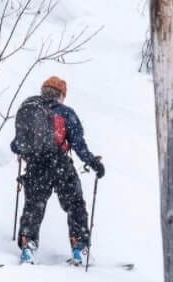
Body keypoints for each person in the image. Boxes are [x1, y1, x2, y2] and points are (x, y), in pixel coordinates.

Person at [9, 76, 104, 265]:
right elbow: (78, 144)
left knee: (33, 206)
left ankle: (28, 246)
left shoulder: (31, 110)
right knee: (75, 204)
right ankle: (80, 248)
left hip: (36, 167)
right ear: (60, 95)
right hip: (60, 166)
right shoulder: (65, 113)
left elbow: (15, 145)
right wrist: (93, 162)